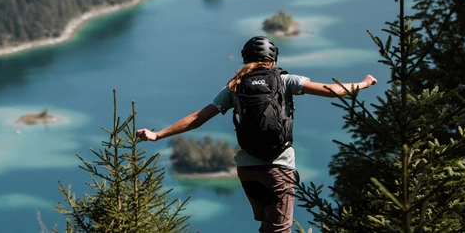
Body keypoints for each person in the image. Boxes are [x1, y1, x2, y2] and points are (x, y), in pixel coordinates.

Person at [135, 36, 377, 233]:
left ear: (246, 59)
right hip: (278, 167)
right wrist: (364, 83)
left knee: (266, 225)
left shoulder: (235, 86)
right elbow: (333, 91)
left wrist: (158, 135)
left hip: (247, 170)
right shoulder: (285, 80)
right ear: (272, 59)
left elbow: (198, 118)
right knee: (280, 230)